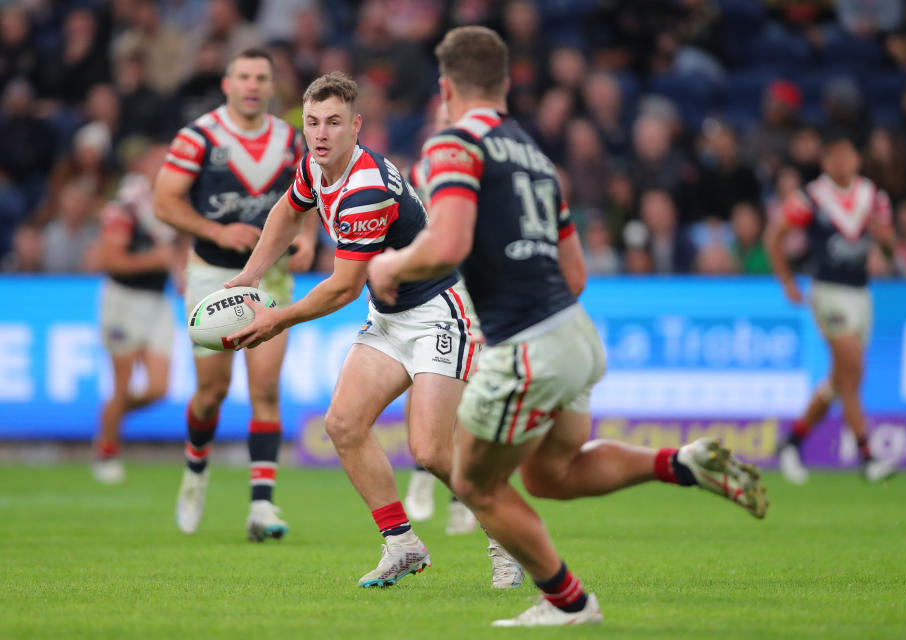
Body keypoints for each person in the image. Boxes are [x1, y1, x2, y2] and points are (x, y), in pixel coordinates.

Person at [368, 26, 768, 627]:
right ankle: (680, 463)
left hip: (527, 345)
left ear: (446, 87)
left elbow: (447, 241)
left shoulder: (452, 146)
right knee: (553, 474)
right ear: (504, 85)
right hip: (575, 334)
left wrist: (391, 262)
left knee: (477, 486)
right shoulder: (534, 155)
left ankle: (570, 602)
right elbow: (575, 272)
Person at [224, 71, 522, 588]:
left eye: (333, 123)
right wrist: (249, 275)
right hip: (389, 318)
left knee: (430, 450)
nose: (320, 134)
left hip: (439, 314)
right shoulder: (316, 168)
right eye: (312, 122)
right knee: (342, 424)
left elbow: (341, 288)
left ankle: (509, 541)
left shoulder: (366, 190)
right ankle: (402, 544)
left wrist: (275, 320)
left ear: (355, 125)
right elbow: (286, 212)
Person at [154, 48, 316, 541]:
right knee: (212, 393)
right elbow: (164, 202)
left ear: (271, 86)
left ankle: (261, 508)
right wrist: (215, 230)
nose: (252, 84)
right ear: (227, 84)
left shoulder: (291, 139)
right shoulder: (199, 137)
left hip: (270, 277)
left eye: (261, 77)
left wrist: (307, 235)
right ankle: (195, 471)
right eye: (243, 75)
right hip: (213, 277)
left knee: (265, 390)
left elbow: (308, 194)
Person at [768, 134, 899, 485]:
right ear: (826, 162)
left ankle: (792, 442)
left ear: (857, 159)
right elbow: (775, 236)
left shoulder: (873, 197)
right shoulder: (812, 197)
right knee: (852, 370)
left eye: (847, 155)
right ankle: (868, 456)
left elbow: (889, 249)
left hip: (862, 294)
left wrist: (885, 242)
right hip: (828, 293)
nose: (841, 163)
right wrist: (787, 281)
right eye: (834, 157)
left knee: (841, 379)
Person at [403, 101, 476, 536]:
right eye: (441, 120)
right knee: (423, 378)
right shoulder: (416, 176)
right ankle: (421, 471)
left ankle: (458, 491)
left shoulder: (480, 172)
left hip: (475, 285)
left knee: (468, 387)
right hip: (432, 288)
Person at [94, 143, 178, 484]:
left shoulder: (170, 205)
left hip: (157, 302)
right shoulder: (126, 207)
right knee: (123, 380)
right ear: (144, 165)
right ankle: (108, 449)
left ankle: (109, 419)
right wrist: (154, 261)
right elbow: (109, 260)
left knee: (159, 388)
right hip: (124, 301)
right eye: (160, 161)